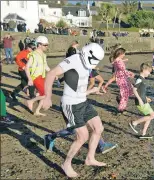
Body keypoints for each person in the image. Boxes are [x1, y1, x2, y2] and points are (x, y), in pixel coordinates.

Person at [42, 43, 108, 178]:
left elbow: (79, 86)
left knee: (98, 128)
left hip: (82, 101)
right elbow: (51, 74)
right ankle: (66, 164)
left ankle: (90, 158)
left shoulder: (88, 63)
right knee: (82, 136)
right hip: (71, 104)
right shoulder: (74, 59)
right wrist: (47, 97)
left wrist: (91, 91)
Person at [129, 63, 154, 139]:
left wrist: (146, 97)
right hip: (141, 101)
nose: (149, 73)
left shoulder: (142, 79)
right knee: (152, 116)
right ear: (144, 70)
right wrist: (140, 99)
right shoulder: (139, 79)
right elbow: (134, 90)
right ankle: (134, 123)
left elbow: (141, 91)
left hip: (144, 100)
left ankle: (143, 134)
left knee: (150, 116)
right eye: (148, 71)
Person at [25, 36, 51, 116]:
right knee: (45, 94)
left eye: (47, 45)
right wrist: (29, 79)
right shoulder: (33, 54)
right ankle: (30, 101)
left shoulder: (44, 55)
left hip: (42, 77)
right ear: (39, 45)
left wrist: (53, 73)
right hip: (36, 77)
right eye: (45, 45)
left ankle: (37, 111)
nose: (47, 47)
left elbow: (46, 66)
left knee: (43, 93)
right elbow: (26, 67)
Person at [113, 48, 134, 113]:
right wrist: (130, 73)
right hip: (121, 78)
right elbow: (122, 70)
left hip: (122, 78)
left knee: (130, 90)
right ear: (120, 54)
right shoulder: (118, 61)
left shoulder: (118, 60)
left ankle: (120, 98)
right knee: (125, 94)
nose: (124, 55)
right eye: (124, 53)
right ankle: (121, 108)